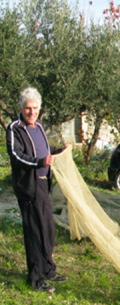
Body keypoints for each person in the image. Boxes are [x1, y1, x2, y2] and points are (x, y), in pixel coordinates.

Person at [6, 87, 68, 293]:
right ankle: (35, 277)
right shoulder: (14, 128)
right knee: (34, 233)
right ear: (21, 109)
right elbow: (17, 156)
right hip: (28, 189)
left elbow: (45, 149)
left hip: (43, 186)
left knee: (48, 230)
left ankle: (49, 269)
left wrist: (59, 152)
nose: (32, 112)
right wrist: (40, 162)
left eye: (35, 108)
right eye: (27, 109)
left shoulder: (39, 126)